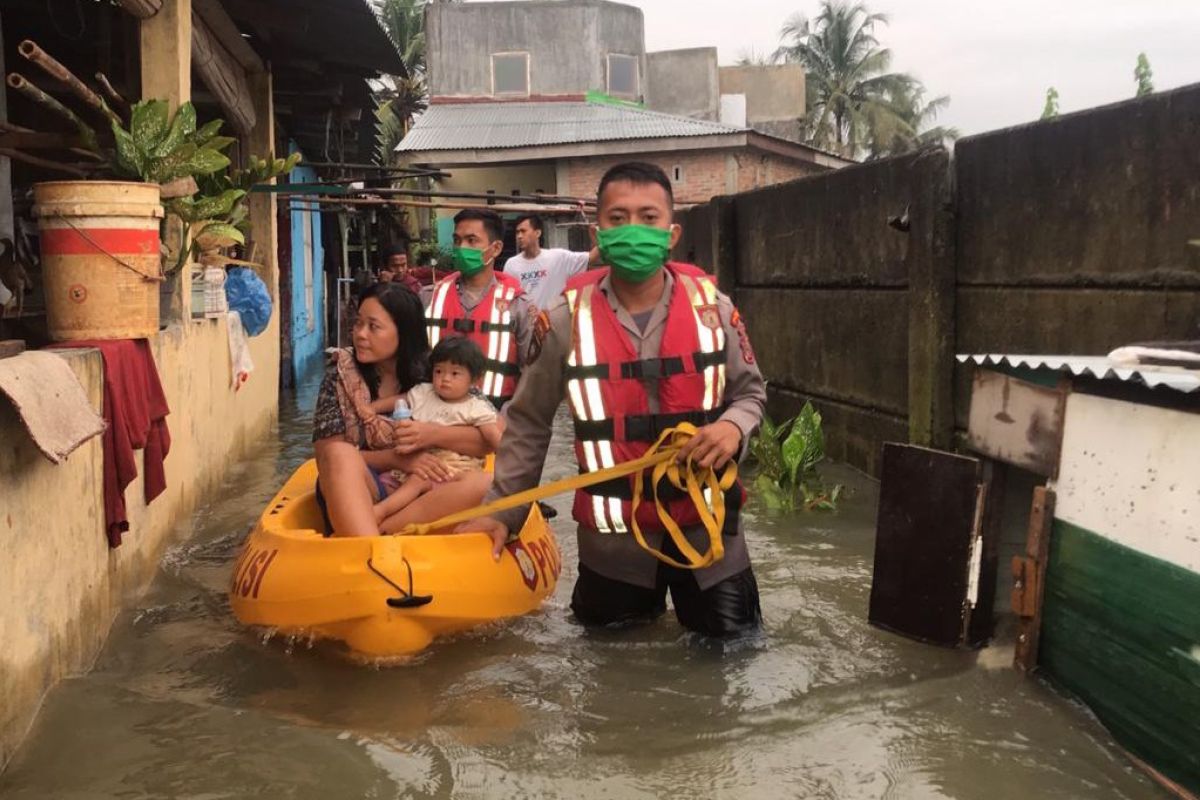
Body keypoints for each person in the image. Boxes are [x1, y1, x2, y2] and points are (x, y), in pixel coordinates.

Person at [458, 162, 767, 638]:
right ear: (598, 231)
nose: (633, 231)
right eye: (618, 219)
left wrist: (732, 428)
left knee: (731, 663)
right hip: (612, 547)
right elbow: (529, 425)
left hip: (711, 540)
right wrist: (502, 513)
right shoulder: (563, 320)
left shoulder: (714, 309)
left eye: (648, 218)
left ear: (671, 231)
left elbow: (750, 393)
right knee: (611, 677)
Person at [312, 282, 492, 536]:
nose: (361, 334)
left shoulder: (439, 371)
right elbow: (325, 457)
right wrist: (400, 460)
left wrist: (431, 435)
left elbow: (486, 441)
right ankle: (368, 545)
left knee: (485, 484)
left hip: (428, 492)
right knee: (340, 453)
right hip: (369, 487)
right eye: (358, 323)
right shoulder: (339, 377)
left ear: (404, 332)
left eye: (373, 326)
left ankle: (382, 531)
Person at [373, 336, 503, 532]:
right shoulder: (425, 393)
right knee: (392, 480)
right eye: (439, 371)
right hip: (419, 462)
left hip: (453, 470)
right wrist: (372, 408)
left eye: (455, 373)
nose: (445, 379)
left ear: (475, 380)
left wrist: (509, 458)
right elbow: (401, 400)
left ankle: (381, 515)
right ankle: (382, 516)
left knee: (419, 480)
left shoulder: (477, 407)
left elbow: (493, 437)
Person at [421, 209, 537, 411]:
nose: (461, 247)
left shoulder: (518, 305)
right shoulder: (428, 297)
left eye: (471, 240)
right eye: (457, 240)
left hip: (497, 417)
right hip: (435, 416)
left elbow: (532, 373)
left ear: (496, 248)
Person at [502, 214, 598, 310]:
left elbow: (591, 257)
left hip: (555, 322)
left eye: (523, 231)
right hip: (525, 323)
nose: (519, 236)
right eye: (517, 232)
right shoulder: (511, 265)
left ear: (538, 233)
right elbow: (507, 299)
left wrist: (598, 239)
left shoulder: (559, 257)